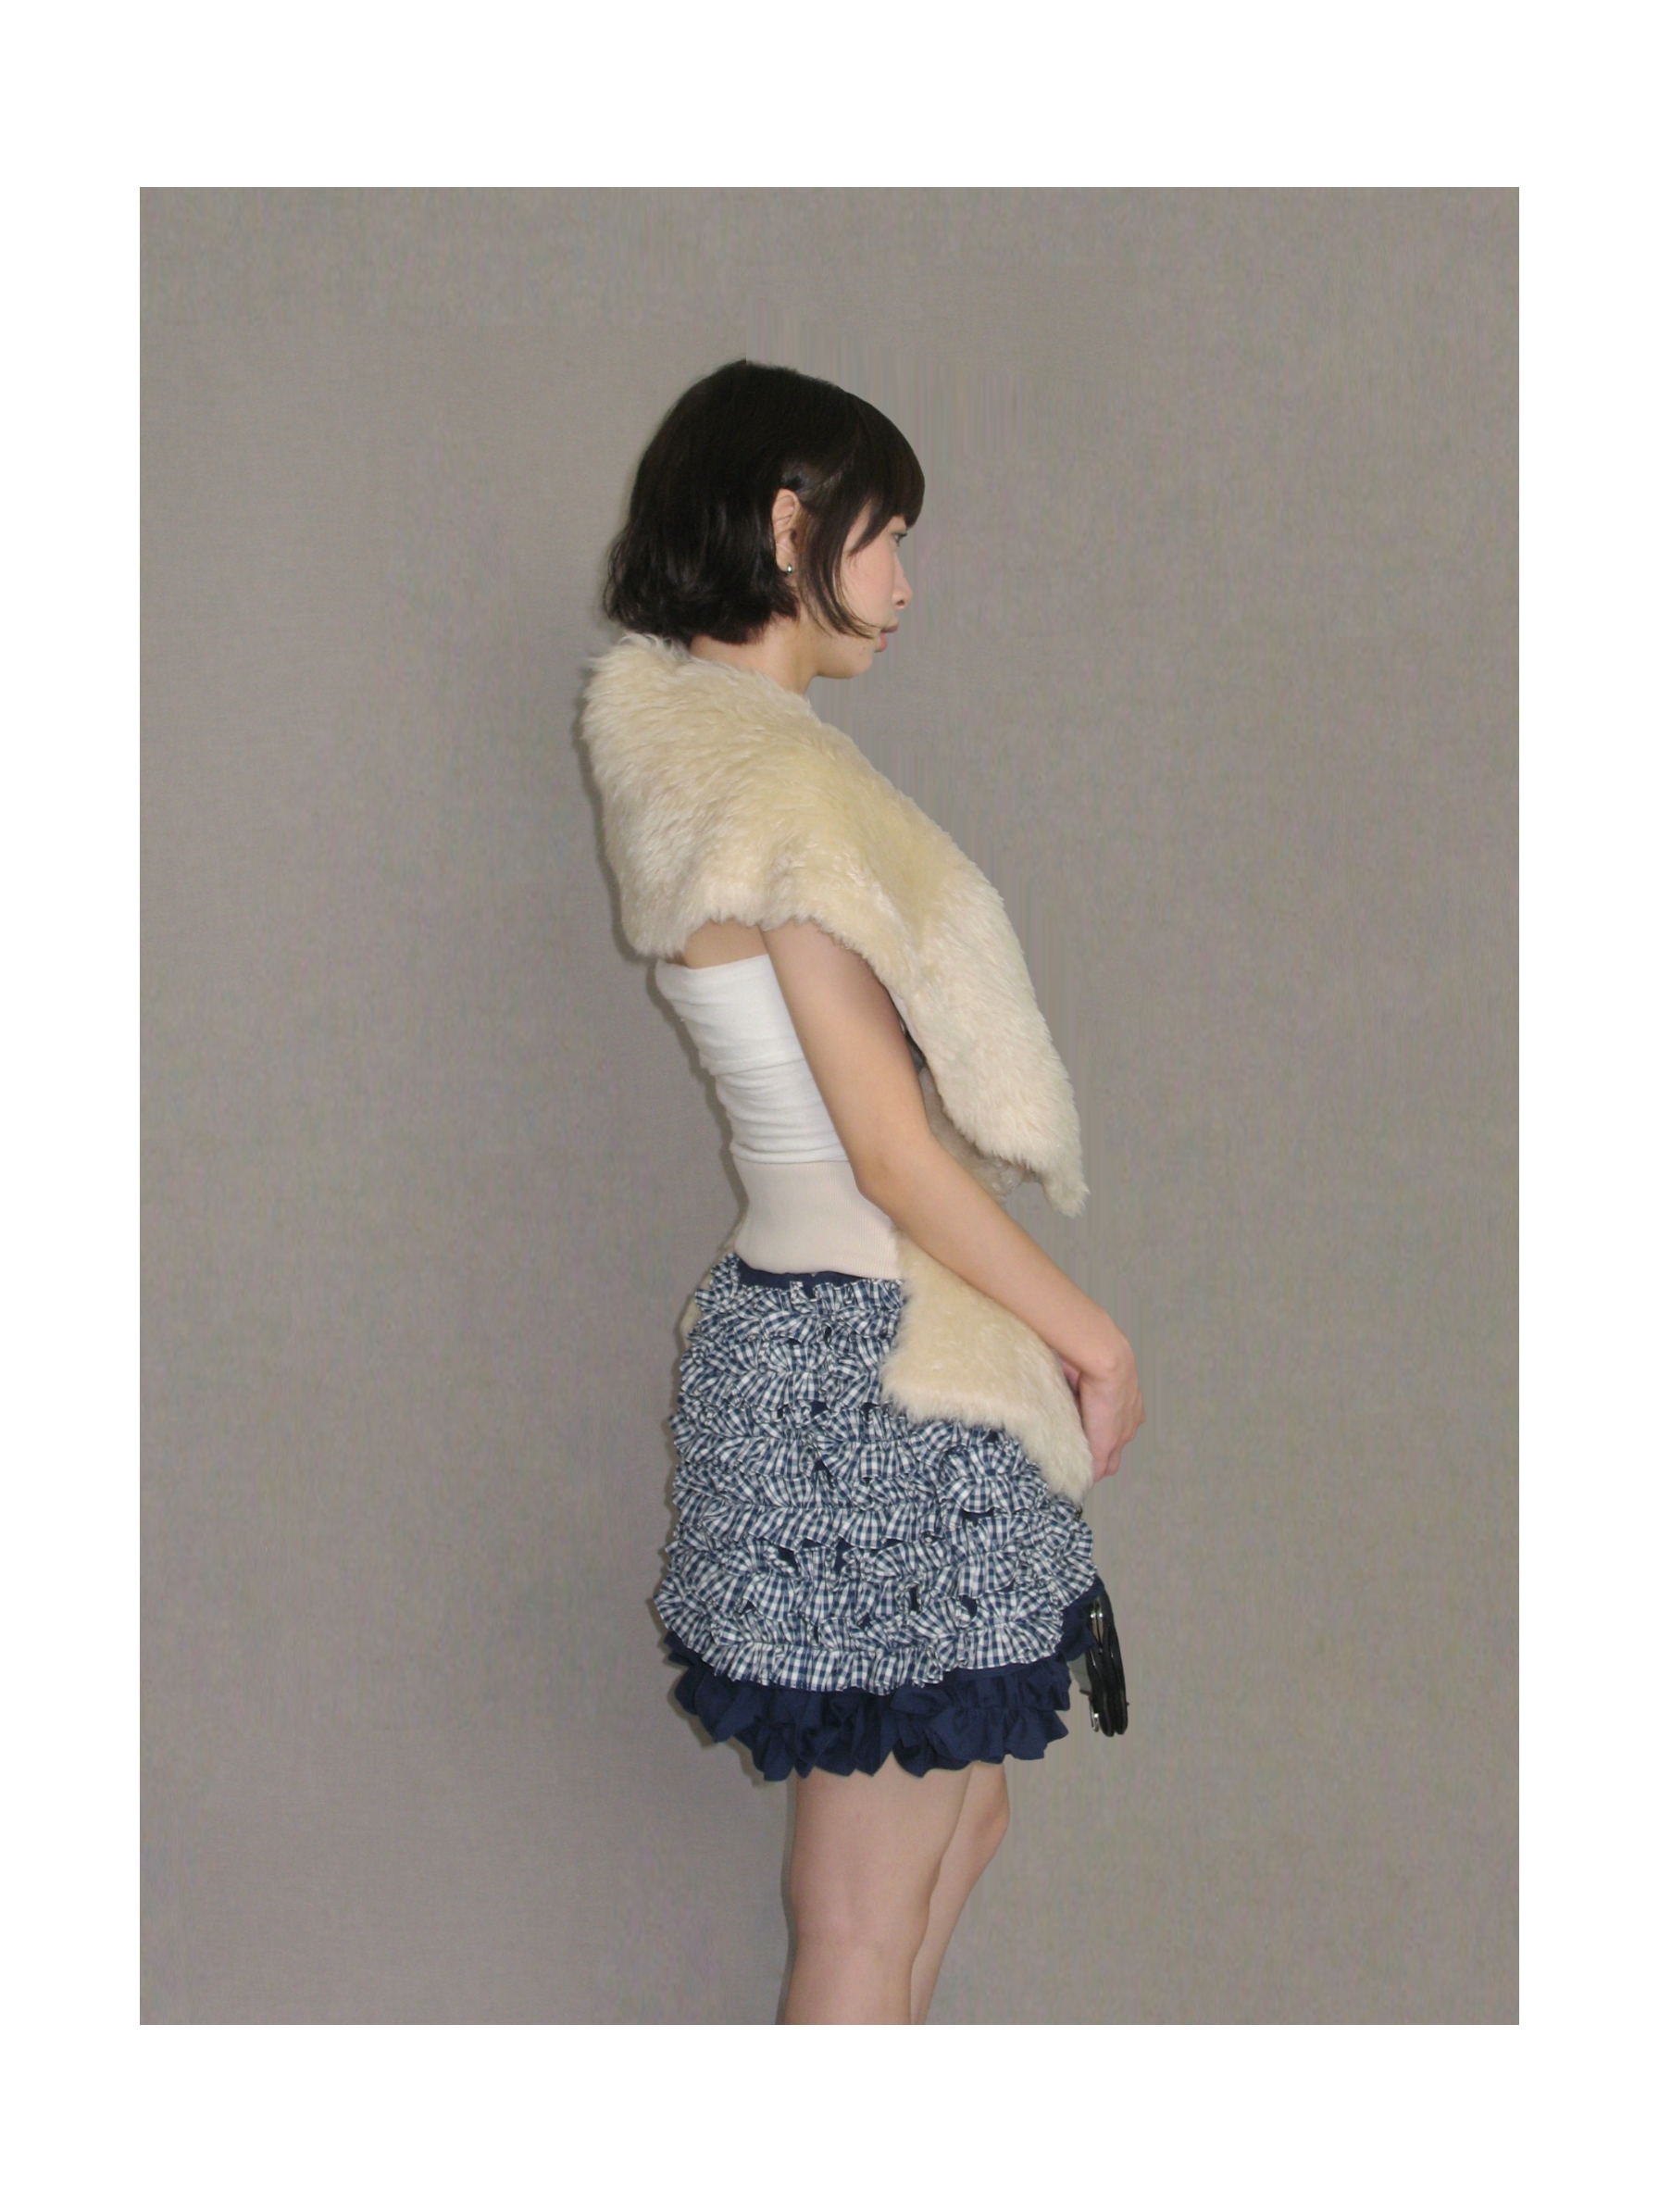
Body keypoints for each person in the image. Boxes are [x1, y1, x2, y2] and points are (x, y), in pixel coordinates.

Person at [590, 360, 1143, 2025]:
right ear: (788, 530)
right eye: (885, 534)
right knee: (860, 1909)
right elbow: (890, 1150)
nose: (904, 582)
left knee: (954, 1822)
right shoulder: (786, 798)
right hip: (874, 1369)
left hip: (815, 1343)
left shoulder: (695, 762)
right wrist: (1093, 1337)